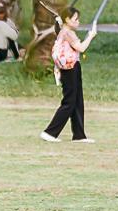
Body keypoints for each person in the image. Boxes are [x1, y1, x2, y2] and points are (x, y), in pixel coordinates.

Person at [40, 9, 96, 143]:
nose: (78, 22)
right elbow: (81, 48)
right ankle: (50, 132)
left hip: (74, 67)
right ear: (67, 20)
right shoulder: (67, 33)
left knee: (77, 101)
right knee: (69, 102)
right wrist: (91, 36)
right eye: (75, 19)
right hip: (69, 69)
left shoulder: (63, 30)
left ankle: (79, 135)